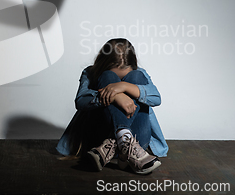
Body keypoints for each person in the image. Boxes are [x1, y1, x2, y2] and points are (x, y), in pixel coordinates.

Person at [56, 38, 168, 174]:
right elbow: (80, 101)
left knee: (137, 78)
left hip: (133, 143)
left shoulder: (140, 72)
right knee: (107, 76)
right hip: (100, 142)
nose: (118, 85)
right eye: (117, 82)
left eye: (122, 79)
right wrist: (115, 95)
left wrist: (124, 87)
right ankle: (124, 142)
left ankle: (123, 142)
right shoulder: (90, 72)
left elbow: (156, 98)